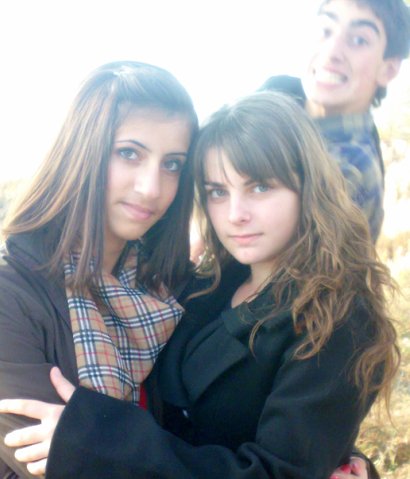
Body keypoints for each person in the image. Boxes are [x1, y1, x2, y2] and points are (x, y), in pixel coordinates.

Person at [0, 93, 398, 479]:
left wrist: (96, 442)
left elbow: (285, 466)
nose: (236, 214)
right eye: (217, 192)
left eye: (260, 187)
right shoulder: (204, 286)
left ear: (308, 187)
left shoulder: (337, 316)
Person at [0, 59, 198, 478]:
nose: (151, 188)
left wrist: (92, 438)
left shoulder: (171, 290)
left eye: (172, 164)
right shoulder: (9, 295)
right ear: (83, 150)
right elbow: (46, 467)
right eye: (129, 153)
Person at [260, 0, 410, 243]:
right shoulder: (275, 96)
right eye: (325, 30)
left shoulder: (349, 169)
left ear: (388, 69)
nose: (331, 52)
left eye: (358, 40)